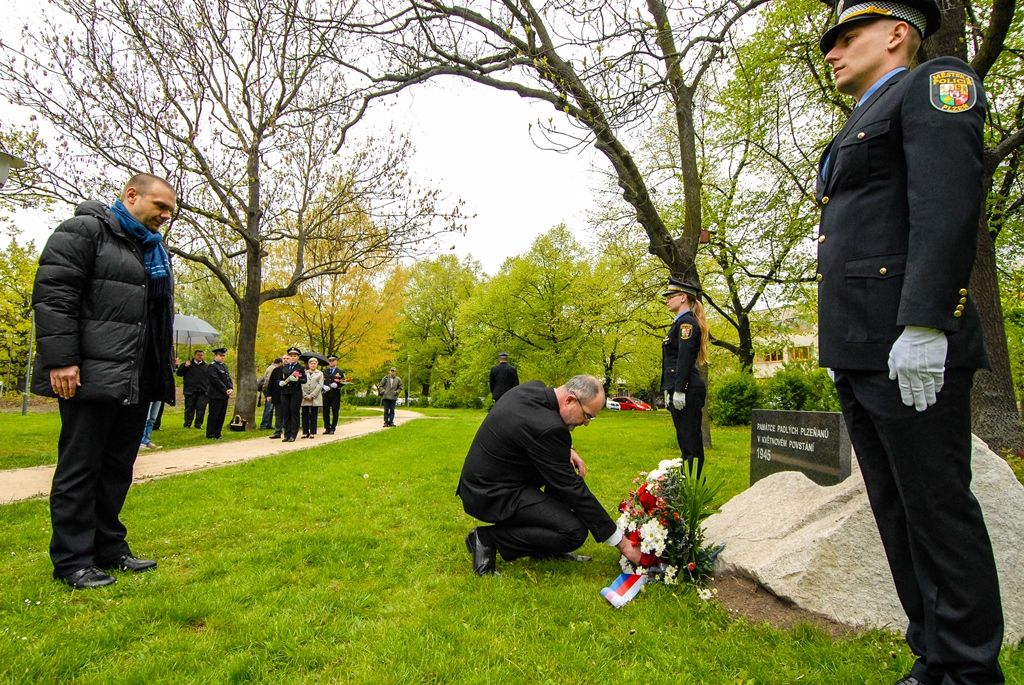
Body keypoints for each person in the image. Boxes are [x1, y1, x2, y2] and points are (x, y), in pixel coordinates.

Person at [815, 2, 1003, 682]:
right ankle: (935, 653)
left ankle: (971, 670)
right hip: (861, 348)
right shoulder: (860, 118)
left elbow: (948, 206)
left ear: (897, 34)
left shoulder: (933, 87)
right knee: (898, 512)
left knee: (938, 509)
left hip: (909, 344)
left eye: (848, 36)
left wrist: (927, 321)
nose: (832, 50)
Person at [31, 173, 177, 589]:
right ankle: (72, 559)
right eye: (160, 207)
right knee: (81, 467)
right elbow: (55, 296)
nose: (166, 216)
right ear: (131, 195)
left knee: (117, 467)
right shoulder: (84, 231)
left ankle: (109, 547)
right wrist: (62, 361)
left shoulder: (152, 249)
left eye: (170, 211)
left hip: (135, 377)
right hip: (91, 374)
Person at [457, 374, 642, 575]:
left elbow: (528, 428)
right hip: (490, 494)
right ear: (570, 400)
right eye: (587, 416)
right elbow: (573, 489)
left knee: (563, 466)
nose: (586, 423)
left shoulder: (533, 389)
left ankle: (546, 549)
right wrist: (622, 543)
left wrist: (566, 449)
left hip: (489, 479)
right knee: (574, 532)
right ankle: (487, 539)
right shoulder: (547, 427)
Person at [659, 278, 708, 478]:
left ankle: (694, 488)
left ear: (682, 297)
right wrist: (668, 389)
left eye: (670, 296)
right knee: (685, 442)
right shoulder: (679, 324)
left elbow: (685, 359)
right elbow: (672, 362)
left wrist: (679, 389)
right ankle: (689, 484)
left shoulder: (686, 324)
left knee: (691, 444)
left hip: (687, 389)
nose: (667, 300)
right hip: (680, 388)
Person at [277, 347, 307, 442]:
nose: (293, 358)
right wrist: (280, 382)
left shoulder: (300, 367)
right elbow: (278, 379)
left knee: (294, 413)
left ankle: (293, 434)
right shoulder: (284, 367)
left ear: (298, 357)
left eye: (295, 356)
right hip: (285, 392)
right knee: (285, 413)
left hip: (295, 393)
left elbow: (304, 380)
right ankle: (287, 434)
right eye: (291, 356)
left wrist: (298, 380)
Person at [204, 347, 234, 439]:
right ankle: (211, 434)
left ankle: (218, 433)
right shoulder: (212, 367)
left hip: (224, 395)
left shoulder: (224, 366)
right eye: (221, 355)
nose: (222, 357)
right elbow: (215, 380)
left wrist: (231, 388)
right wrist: (225, 389)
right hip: (215, 395)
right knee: (214, 414)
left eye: (223, 356)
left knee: (221, 415)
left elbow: (228, 379)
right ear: (216, 356)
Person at [176, 349, 209, 429]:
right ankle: (187, 424)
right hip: (190, 391)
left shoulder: (206, 366)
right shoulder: (188, 364)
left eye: (201, 355)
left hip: (202, 391)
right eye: (198, 355)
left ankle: (198, 425)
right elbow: (179, 373)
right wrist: (185, 366)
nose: (200, 356)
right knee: (189, 408)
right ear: (194, 356)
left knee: (201, 409)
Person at [300, 357, 324, 438]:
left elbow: (320, 385)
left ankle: (312, 432)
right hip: (305, 396)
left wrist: (312, 395)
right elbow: (301, 384)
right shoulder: (304, 372)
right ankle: (305, 432)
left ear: (317, 364)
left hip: (315, 397)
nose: (313, 365)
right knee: (304, 414)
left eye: (315, 363)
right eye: (311, 363)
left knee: (313, 415)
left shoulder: (320, 373)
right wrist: (305, 395)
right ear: (308, 364)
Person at [322, 355, 344, 434]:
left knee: (335, 411)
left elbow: (343, 381)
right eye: (330, 361)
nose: (331, 362)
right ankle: (327, 427)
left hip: (335, 394)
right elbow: (322, 381)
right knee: (325, 412)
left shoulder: (340, 371)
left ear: (336, 361)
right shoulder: (325, 371)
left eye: (333, 360)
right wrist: (323, 386)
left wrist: (338, 385)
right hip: (326, 394)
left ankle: (333, 428)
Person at [259, 357, 282, 430]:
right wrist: (268, 392)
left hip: (268, 390)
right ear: (280, 363)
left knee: (270, 408)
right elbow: (268, 381)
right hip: (270, 391)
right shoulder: (273, 368)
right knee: (269, 408)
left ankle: (268, 424)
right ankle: (264, 425)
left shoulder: (270, 367)